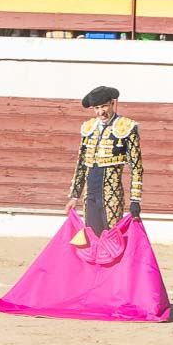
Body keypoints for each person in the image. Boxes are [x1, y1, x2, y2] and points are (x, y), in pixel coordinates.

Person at [65, 85, 142, 235]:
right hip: (90, 195)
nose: (101, 112)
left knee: (112, 238)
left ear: (112, 103)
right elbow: (81, 165)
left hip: (111, 194)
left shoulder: (127, 127)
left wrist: (135, 201)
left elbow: (137, 167)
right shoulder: (88, 128)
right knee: (92, 237)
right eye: (96, 108)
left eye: (104, 106)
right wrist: (74, 196)